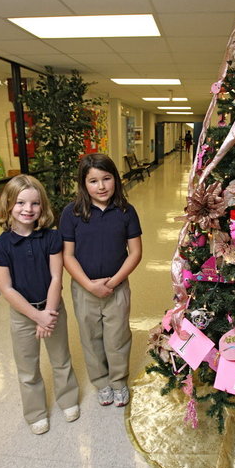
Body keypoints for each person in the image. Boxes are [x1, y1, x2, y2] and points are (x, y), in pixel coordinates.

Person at [0, 175, 79, 435]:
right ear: (8, 206)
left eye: (35, 203)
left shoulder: (51, 238)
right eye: (20, 203)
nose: (28, 209)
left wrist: (48, 313)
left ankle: (68, 399)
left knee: (61, 358)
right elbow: (5, 289)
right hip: (22, 314)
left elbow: (56, 277)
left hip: (52, 307)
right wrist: (36, 317)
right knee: (27, 367)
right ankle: (36, 413)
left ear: (42, 207)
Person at [59, 153, 142, 408]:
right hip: (84, 288)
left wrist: (113, 282)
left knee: (117, 337)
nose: (101, 186)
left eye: (106, 179)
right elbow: (68, 256)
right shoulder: (71, 213)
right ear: (84, 184)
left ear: (115, 179)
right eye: (93, 181)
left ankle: (118, 382)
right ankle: (101, 382)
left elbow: (136, 253)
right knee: (91, 337)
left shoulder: (126, 211)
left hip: (117, 288)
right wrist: (89, 285)